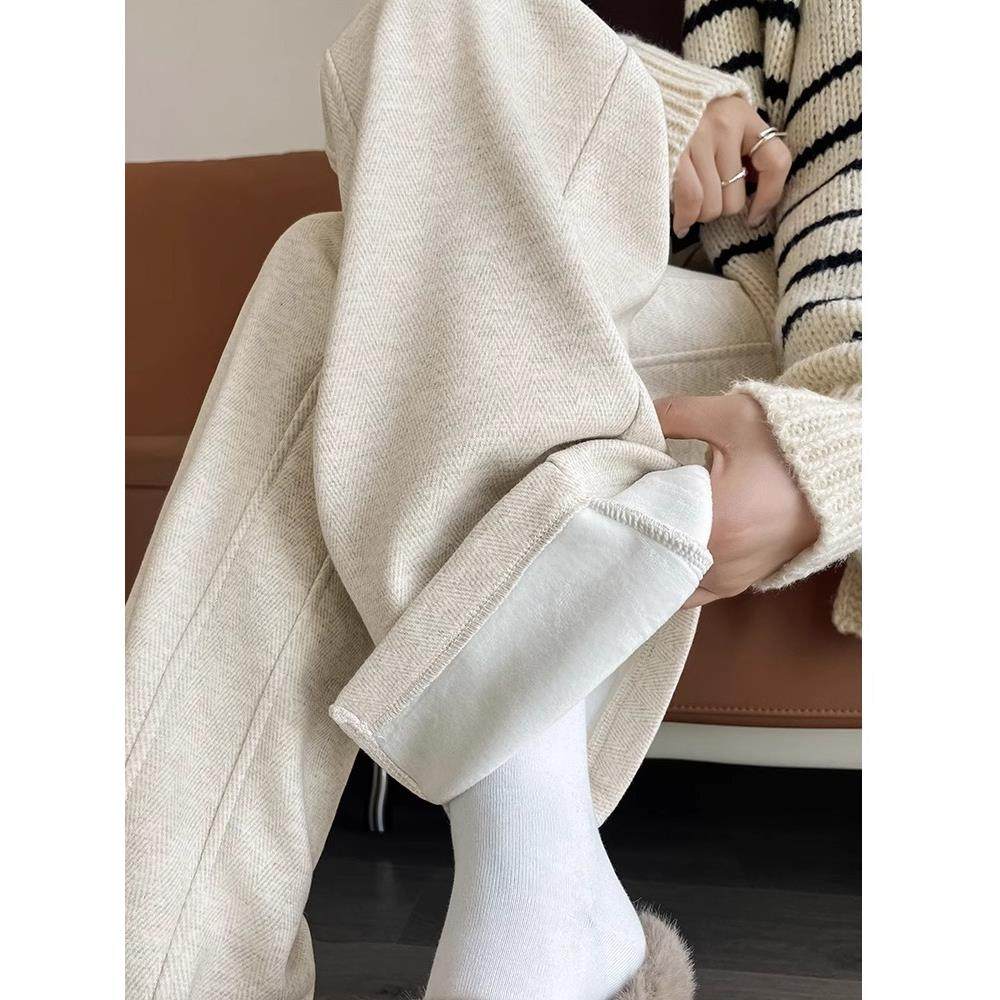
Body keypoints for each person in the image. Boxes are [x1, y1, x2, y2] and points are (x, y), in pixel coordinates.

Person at [124, 1, 860, 998]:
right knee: (334, 252)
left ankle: (153, 965)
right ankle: (548, 898)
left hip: (785, 368)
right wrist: (665, 105)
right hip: (582, 306)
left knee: (354, 242)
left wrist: (842, 449)